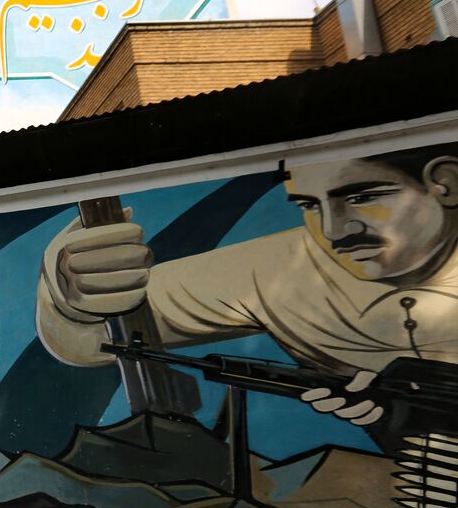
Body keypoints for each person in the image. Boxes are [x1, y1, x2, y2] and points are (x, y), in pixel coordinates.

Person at [36, 144, 458, 423]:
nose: (333, 230)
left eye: (363, 197)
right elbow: (92, 337)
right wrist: (70, 292)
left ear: (445, 183)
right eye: (310, 205)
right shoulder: (277, 270)